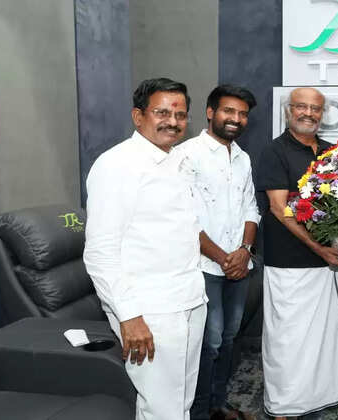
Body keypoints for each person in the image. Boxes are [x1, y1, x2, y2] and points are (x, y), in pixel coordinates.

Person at [84, 77, 206, 420]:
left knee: (180, 401)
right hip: (149, 309)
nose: (173, 122)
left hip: (189, 299)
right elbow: (100, 252)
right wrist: (129, 316)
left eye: (180, 115)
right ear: (138, 116)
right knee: (161, 408)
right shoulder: (117, 165)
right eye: (162, 113)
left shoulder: (178, 161)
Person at [255, 87, 338, 419]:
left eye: (315, 108)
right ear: (288, 111)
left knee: (325, 334)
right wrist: (319, 248)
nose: (308, 113)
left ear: (323, 113)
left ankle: (323, 394)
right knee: (288, 338)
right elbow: (279, 209)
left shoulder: (332, 152)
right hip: (288, 261)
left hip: (328, 260)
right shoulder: (274, 152)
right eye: (301, 106)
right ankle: (285, 405)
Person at [177, 85, 259, 420]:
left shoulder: (243, 158)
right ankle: (197, 413)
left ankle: (218, 405)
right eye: (229, 111)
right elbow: (184, 219)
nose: (235, 119)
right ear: (211, 112)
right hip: (203, 268)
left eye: (242, 114)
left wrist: (245, 251)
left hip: (238, 267)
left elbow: (251, 208)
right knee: (208, 344)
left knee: (228, 338)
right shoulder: (186, 155)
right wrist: (224, 259)